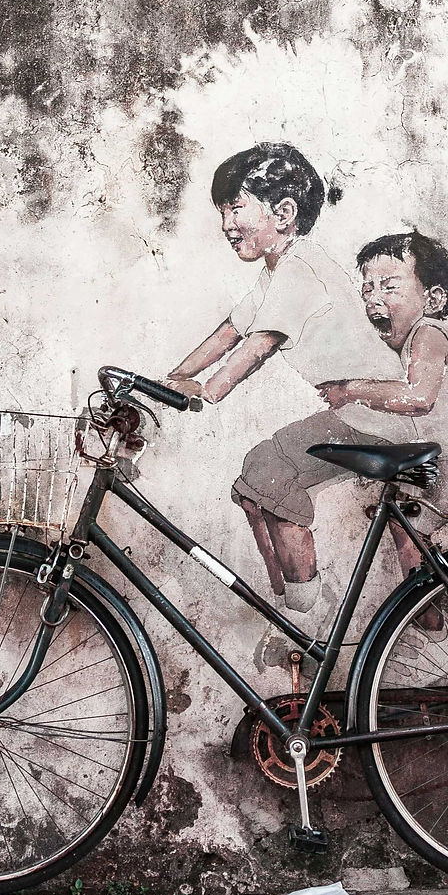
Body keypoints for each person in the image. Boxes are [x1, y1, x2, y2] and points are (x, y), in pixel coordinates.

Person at [166, 142, 409, 612]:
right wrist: (169, 378)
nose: (225, 224)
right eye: (221, 211)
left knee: (270, 472)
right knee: (255, 482)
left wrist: (207, 391)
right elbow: (230, 332)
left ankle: (306, 613)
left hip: (377, 416)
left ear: (283, 212)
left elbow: (258, 345)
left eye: (236, 206)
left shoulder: (300, 268)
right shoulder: (278, 270)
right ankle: (289, 601)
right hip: (363, 416)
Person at [318, 230, 448, 574]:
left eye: (389, 287)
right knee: (405, 516)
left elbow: (417, 398)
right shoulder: (405, 345)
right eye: (368, 288)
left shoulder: (428, 333)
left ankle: (426, 613)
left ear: (433, 299)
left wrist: (350, 389)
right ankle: (428, 603)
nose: (373, 298)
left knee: (408, 517)